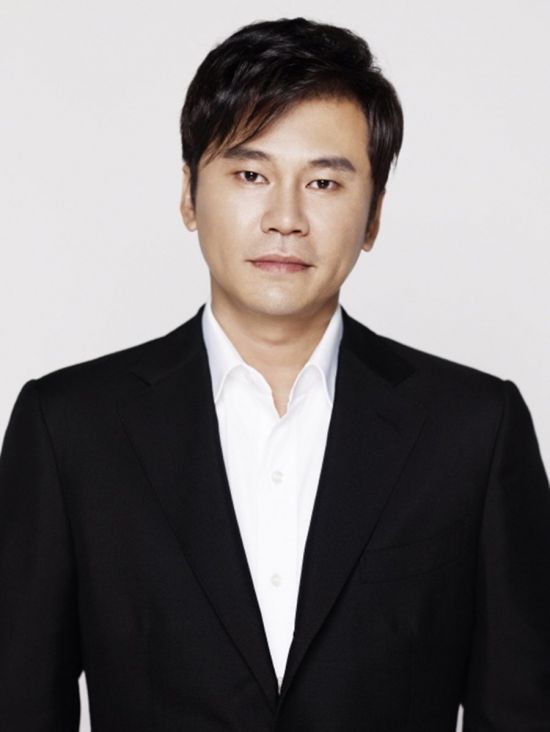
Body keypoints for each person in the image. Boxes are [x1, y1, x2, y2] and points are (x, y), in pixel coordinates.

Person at [0, 16, 549, 732]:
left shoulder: (475, 429)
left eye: (324, 181)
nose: (285, 218)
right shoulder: (69, 427)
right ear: (189, 194)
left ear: (374, 215)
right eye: (251, 175)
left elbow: (523, 709)